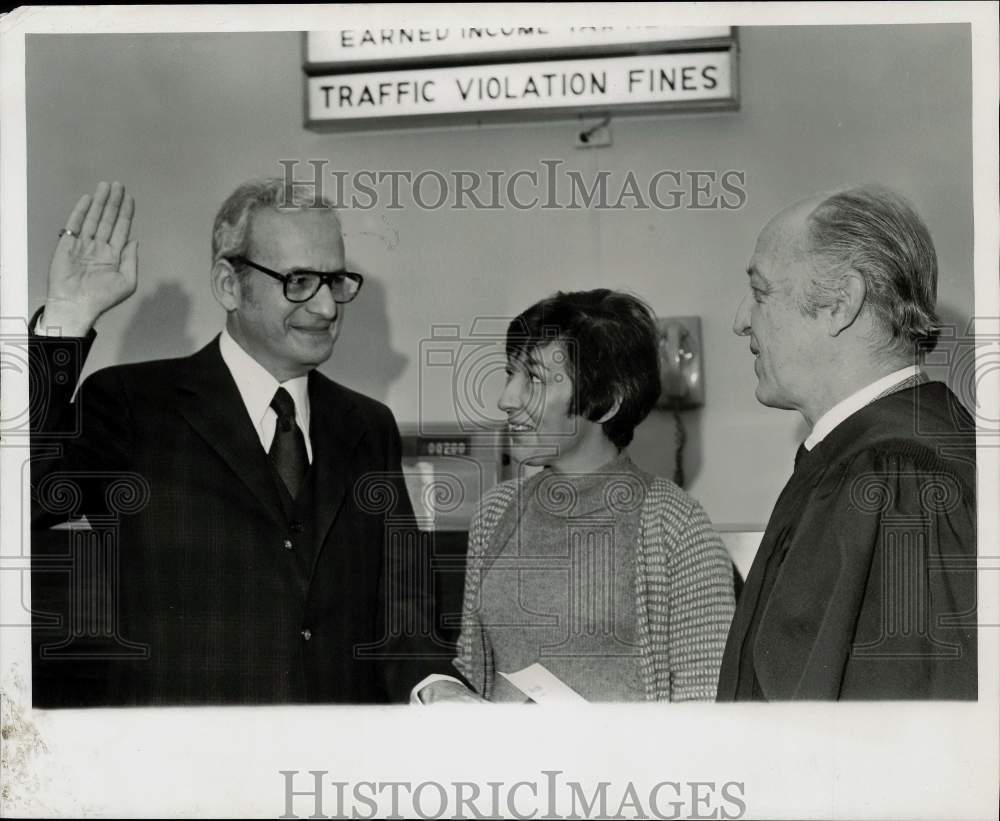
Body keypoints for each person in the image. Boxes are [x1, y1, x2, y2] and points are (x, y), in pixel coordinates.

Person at [30, 179, 444, 705]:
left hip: (332, 769)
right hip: (186, 769)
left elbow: (402, 604)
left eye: (335, 280)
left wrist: (437, 685)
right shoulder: (133, 403)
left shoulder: (368, 424)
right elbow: (19, 496)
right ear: (228, 284)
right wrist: (66, 320)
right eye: (298, 281)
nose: (326, 308)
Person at [718, 185, 977, 701]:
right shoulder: (872, 454)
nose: (741, 319)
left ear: (842, 303)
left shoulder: (898, 474)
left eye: (762, 292)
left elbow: (900, 742)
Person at [415, 290, 736, 703]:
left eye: (533, 378)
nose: (507, 399)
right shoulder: (495, 513)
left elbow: (708, 706)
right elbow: (473, 667)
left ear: (606, 403)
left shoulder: (676, 524)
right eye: (509, 374)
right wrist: (443, 691)